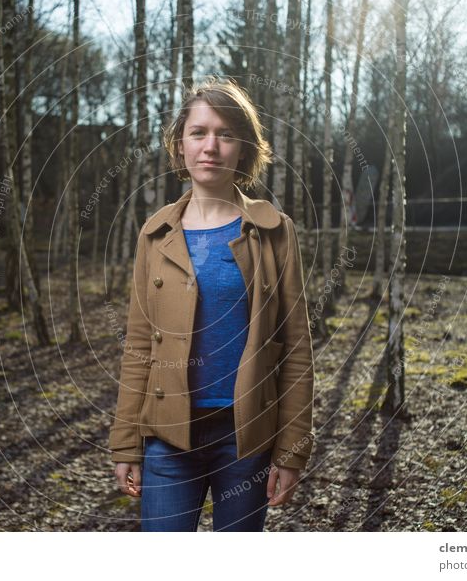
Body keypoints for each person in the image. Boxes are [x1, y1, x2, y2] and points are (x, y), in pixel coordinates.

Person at [108, 76, 315, 532]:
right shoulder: (155, 233)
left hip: (248, 439)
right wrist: (125, 444)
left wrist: (292, 450)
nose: (211, 146)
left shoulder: (274, 230)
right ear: (180, 145)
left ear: (243, 148)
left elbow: (297, 347)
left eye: (226, 134)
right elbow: (139, 343)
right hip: (167, 437)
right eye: (198, 133)